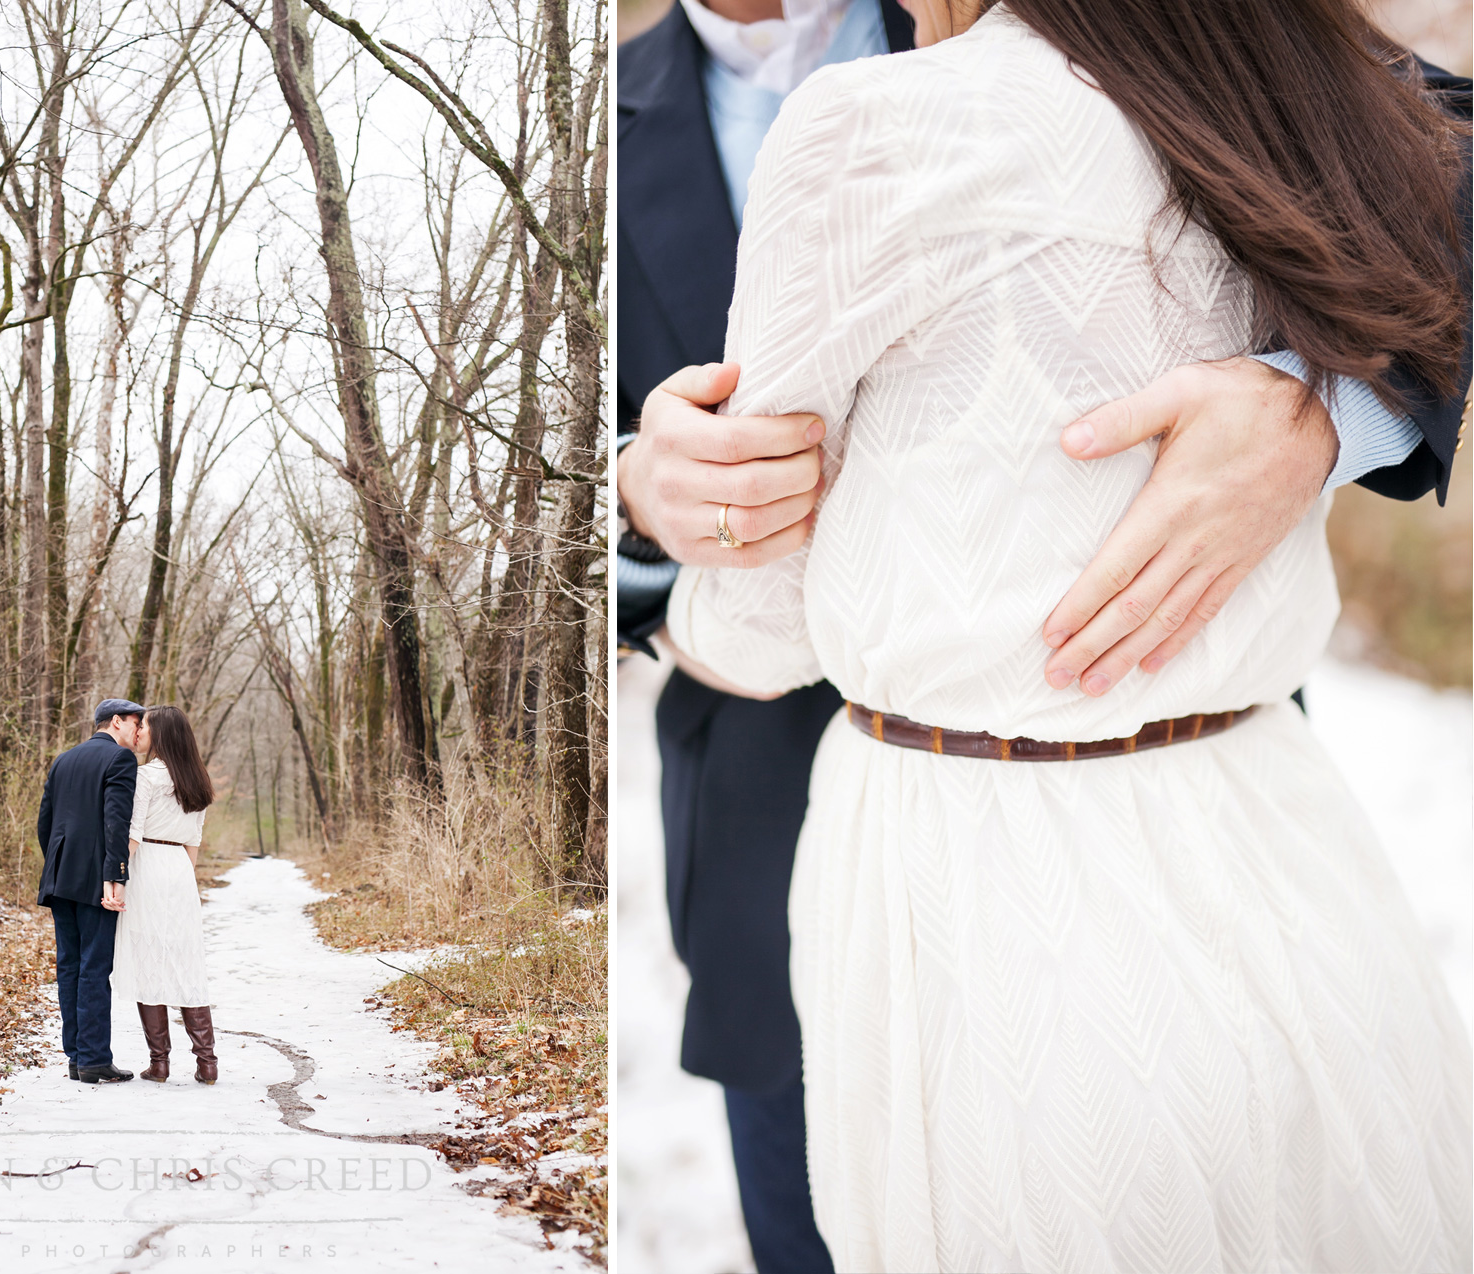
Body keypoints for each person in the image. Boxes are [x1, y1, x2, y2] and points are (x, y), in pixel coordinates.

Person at [615, 1, 1470, 1267]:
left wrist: (1327, 410)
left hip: (997, 872)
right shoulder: (601, 108)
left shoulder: (1201, 38)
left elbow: (1450, 155)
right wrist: (625, 494)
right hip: (805, 897)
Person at [35, 697, 144, 1084]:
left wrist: (57, 864)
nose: (138, 732)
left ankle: (77, 1057)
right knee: (95, 967)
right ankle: (95, 1059)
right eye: (135, 723)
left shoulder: (64, 759)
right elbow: (116, 822)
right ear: (116, 722)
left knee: (70, 965)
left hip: (60, 876)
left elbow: (44, 823)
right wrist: (115, 876)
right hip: (97, 878)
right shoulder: (120, 760)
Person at [111, 704, 219, 1085]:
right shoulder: (199, 781)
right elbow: (194, 842)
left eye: (147, 726)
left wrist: (115, 879)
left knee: (148, 961)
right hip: (180, 872)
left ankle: (160, 1063)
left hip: (150, 868)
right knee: (186, 963)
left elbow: (133, 837)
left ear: (162, 735)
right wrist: (182, 881)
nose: (140, 732)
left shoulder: (148, 777)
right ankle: (207, 1062)